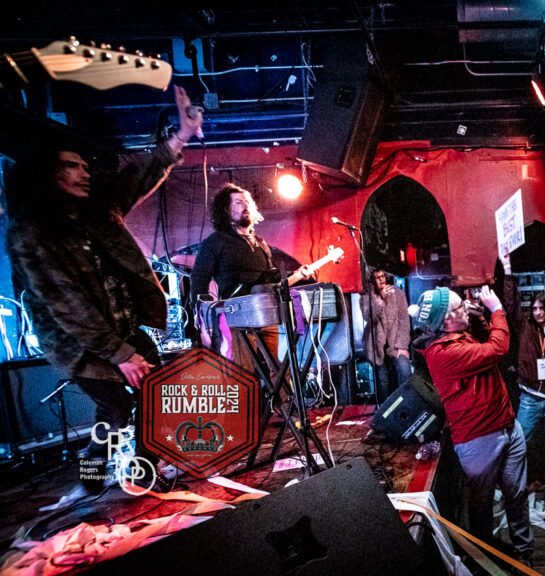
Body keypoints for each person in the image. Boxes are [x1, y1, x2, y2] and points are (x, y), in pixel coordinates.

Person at [5, 86, 203, 495]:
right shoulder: (32, 234)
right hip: (79, 343)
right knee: (114, 407)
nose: (84, 172)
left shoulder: (97, 211)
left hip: (122, 329)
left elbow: (138, 177)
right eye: (72, 166)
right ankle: (91, 476)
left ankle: (143, 472)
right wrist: (120, 354)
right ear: (47, 175)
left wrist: (181, 135)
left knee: (155, 394)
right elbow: (67, 304)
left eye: (84, 165)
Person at [411, 285, 535, 566]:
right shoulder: (442, 353)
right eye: (459, 307)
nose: (464, 308)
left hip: (507, 426)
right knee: (482, 504)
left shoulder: (458, 333)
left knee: (517, 495)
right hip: (479, 439)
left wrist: (477, 315)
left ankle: (524, 554)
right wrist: (496, 309)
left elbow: (484, 336)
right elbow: (497, 348)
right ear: (446, 320)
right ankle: (486, 560)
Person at [189, 184, 315, 364]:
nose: (246, 206)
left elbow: (269, 276)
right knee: (243, 369)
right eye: (238, 202)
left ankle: (282, 384)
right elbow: (199, 276)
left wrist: (297, 274)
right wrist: (200, 312)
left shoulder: (260, 242)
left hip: (265, 310)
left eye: (247, 202)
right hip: (236, 315)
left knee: (279, 367)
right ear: (226, 210)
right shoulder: (216, 241)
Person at [501, 258, 545, 510]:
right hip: (531, 396)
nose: (538, 312)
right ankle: (517, 487)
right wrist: (508, 271)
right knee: (519, 443)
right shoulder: (526, 328)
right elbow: (511, 304)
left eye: (542, 308)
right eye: (534, 308)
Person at [362, 268, 411, 402]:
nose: (381, 279)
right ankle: (385, 410)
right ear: (372, 281)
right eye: (377, 277)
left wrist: (402, 346)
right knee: (382, 382)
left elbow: (404, 321)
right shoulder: (367, 297)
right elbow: (368, 317)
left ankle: (407, 404)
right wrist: (380, 299)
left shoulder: (398, 294)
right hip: (376, 347)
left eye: (383, 276)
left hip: (395, 343)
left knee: (404, 370)